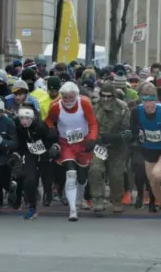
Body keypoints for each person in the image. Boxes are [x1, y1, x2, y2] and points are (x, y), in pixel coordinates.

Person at [45, 81, 98, 221]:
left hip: (83, 143)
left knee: (81, 177)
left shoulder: (85, 103)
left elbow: (92, 123)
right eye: (65, 97)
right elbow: (49, 120)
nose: (68, 100)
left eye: (71, 97)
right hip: (66, 143)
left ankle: (79, 197)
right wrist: (51, 129)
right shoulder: (56, 106)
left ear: (76, 95)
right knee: (70, 174)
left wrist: (92, 139)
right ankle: (73, 209)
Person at [131, 83, 161, 222]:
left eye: (151, 101)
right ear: (141, 100)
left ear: (156, 100)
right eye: (145, 101)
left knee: (157, 174)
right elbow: (133, 128)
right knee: (153, 183)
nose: (148, 105)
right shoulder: (136, 111)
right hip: (149, 148)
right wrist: (137, 137)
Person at [89, 82, 131, 214]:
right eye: (103, 96)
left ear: (114, 96)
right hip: (100, 145)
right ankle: (97, 199)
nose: (106, 99)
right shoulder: (94, 107)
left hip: (118, 146)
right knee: (95, 169)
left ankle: (117, 200)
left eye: (109, 96)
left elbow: (128, 131)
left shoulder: (122, 107)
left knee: (116, 175)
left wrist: (114, 136)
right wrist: (95, 140)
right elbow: (90, 125)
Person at [15, 102, 59, 218]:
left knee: (46, 177)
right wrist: (18, 154)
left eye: (27, 118)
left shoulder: (40, 126)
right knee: (29, 179)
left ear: (32, 118)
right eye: (22, 118)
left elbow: (52, 137)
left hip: (45, 151)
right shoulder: (18, 127)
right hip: (30, 152)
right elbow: (19, 142)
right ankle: (32, 206)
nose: (24, 121)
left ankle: (48, 191)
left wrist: (54, 147)